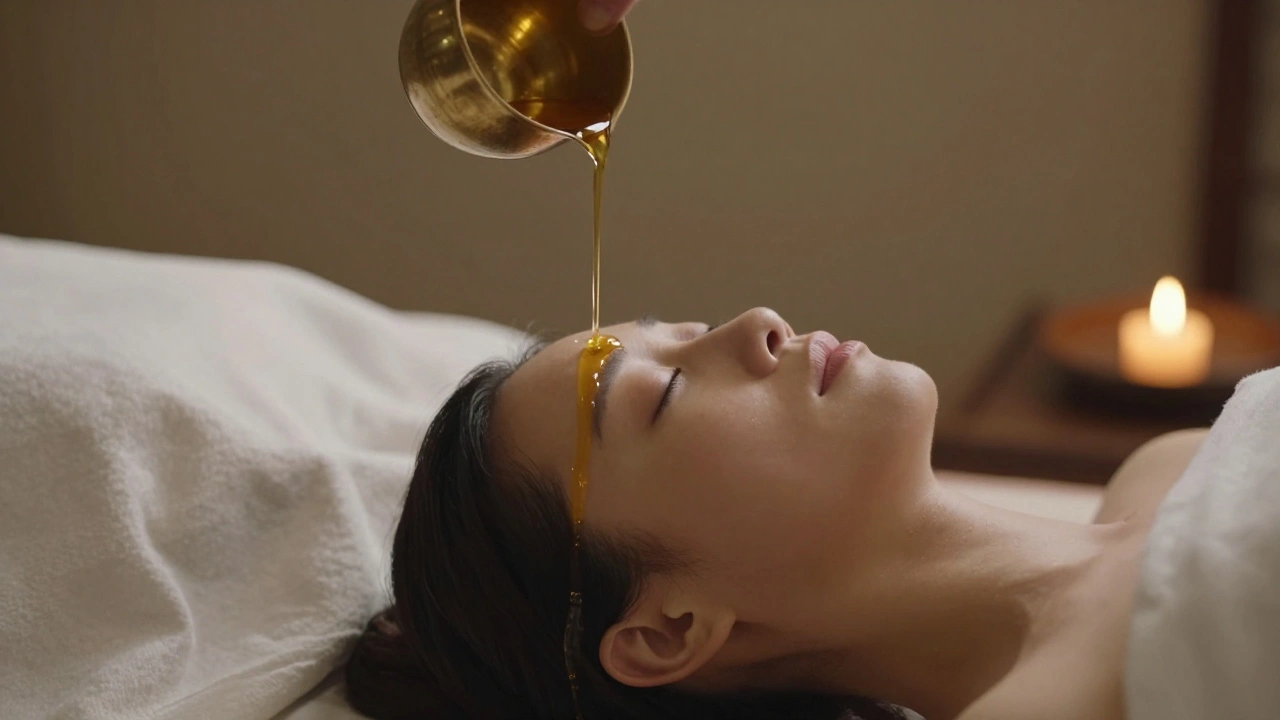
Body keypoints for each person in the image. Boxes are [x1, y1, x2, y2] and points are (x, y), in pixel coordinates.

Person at [343, 307, 1212, 720]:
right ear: (668, 630)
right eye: (670, 392)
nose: (755, 323)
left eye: (685, 324)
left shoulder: (1169, 464)